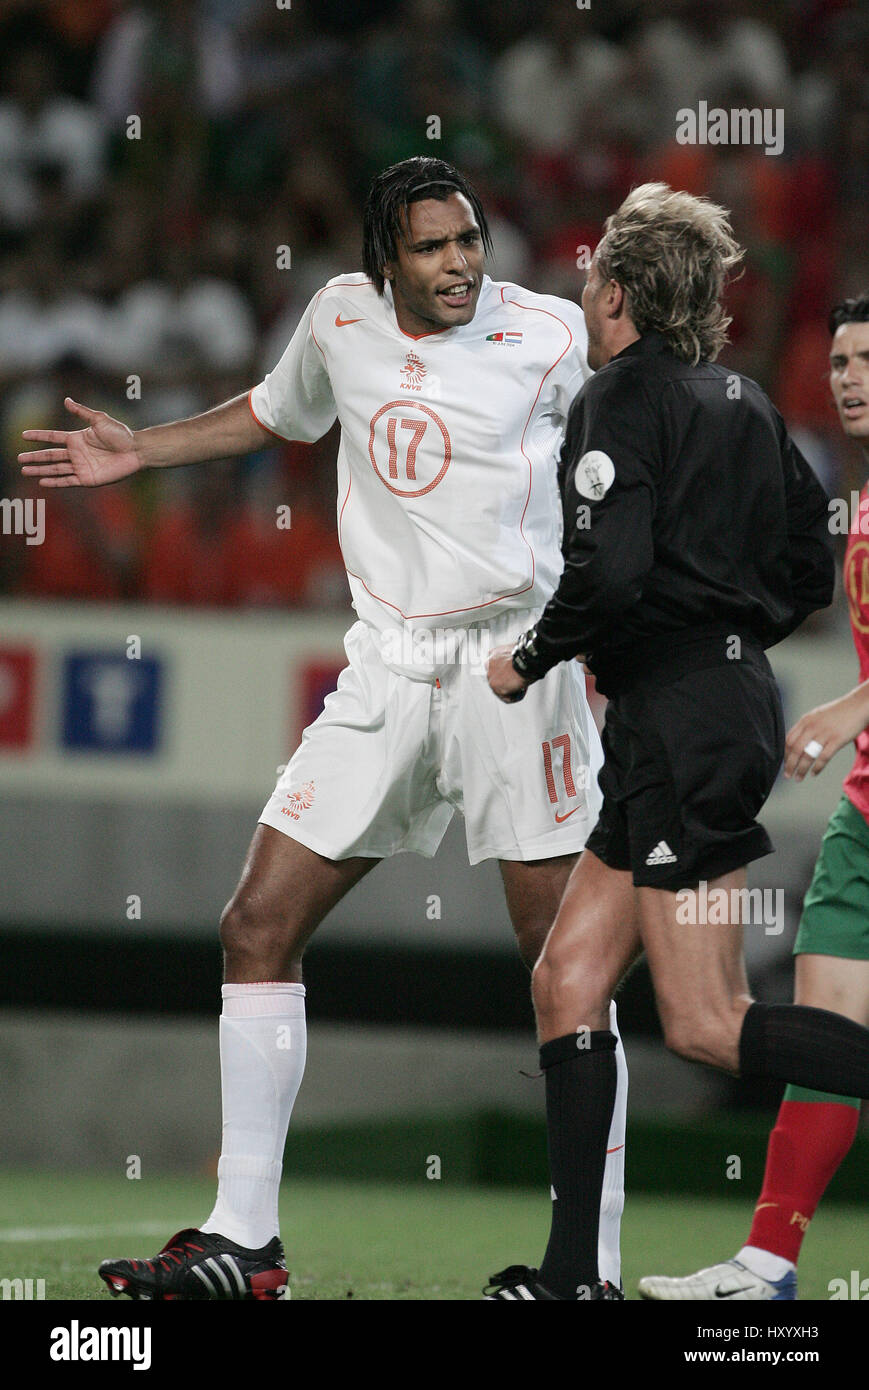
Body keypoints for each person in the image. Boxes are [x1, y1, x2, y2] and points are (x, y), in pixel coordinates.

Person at [20, 157, 628, 1301]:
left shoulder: (550, 333)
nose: (460, 265)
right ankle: (245, 1242)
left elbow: (647, 421)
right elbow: (269, 412)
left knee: (566, 972)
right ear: (381, 260)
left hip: (516, 665)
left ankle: (583, 1267)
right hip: (384, 666)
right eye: (433, 247)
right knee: (255, 921)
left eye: (469, 241)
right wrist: (142, 448)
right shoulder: (336, 318)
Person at [484, 184, 869, 1302]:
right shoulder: (741, 400)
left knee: (707, 1024)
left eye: (590, 269)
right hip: (693, 717)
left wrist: (529, 658)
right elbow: (808, 553)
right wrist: (731, 632)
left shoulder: (617, 399)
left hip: (682, 726)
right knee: (565, 978)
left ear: (612, 291)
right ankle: (569, 1281)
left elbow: (605, 571)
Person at [638, 293, 869, 1301]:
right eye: (839, 358)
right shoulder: (858, 497)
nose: (847, 375)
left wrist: (847, 707)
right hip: (864, 821)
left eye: (867, 358)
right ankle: (765, 1264)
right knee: (824, 1039)